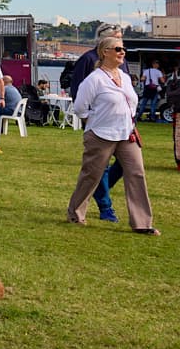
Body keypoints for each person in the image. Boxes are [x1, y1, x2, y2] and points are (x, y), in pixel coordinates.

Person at [67, 35, 157, 233]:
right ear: (105, 52)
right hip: (101, 134)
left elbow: (131, 103)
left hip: (126, 133)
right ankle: (75, 213)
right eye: (117, 49)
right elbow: (80, 107)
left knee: (136, 173)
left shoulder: (124, 77)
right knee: (92, 175)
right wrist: (95, 119)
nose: (122, 52)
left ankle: (142, 224)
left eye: (123, 49)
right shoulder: (94, 79)